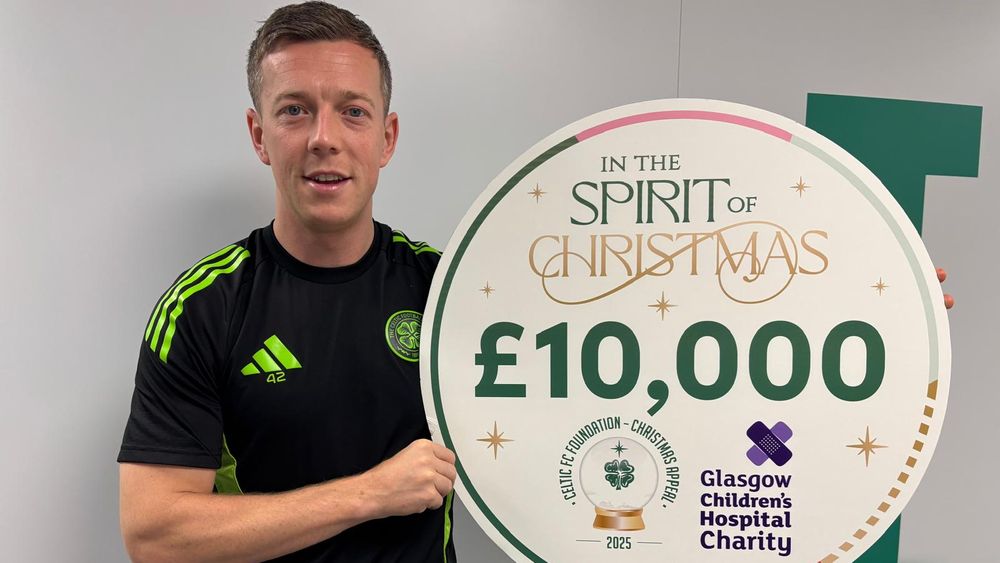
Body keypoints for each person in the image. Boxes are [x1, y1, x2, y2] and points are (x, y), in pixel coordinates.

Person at [117, 2, 458, 561]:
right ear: (259, 135)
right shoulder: (202, 307)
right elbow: (154, 536)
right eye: (295, 110)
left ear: (387, 138)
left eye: (353, 111)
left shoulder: (448, 291)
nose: (324, 138)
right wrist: (370, 494)